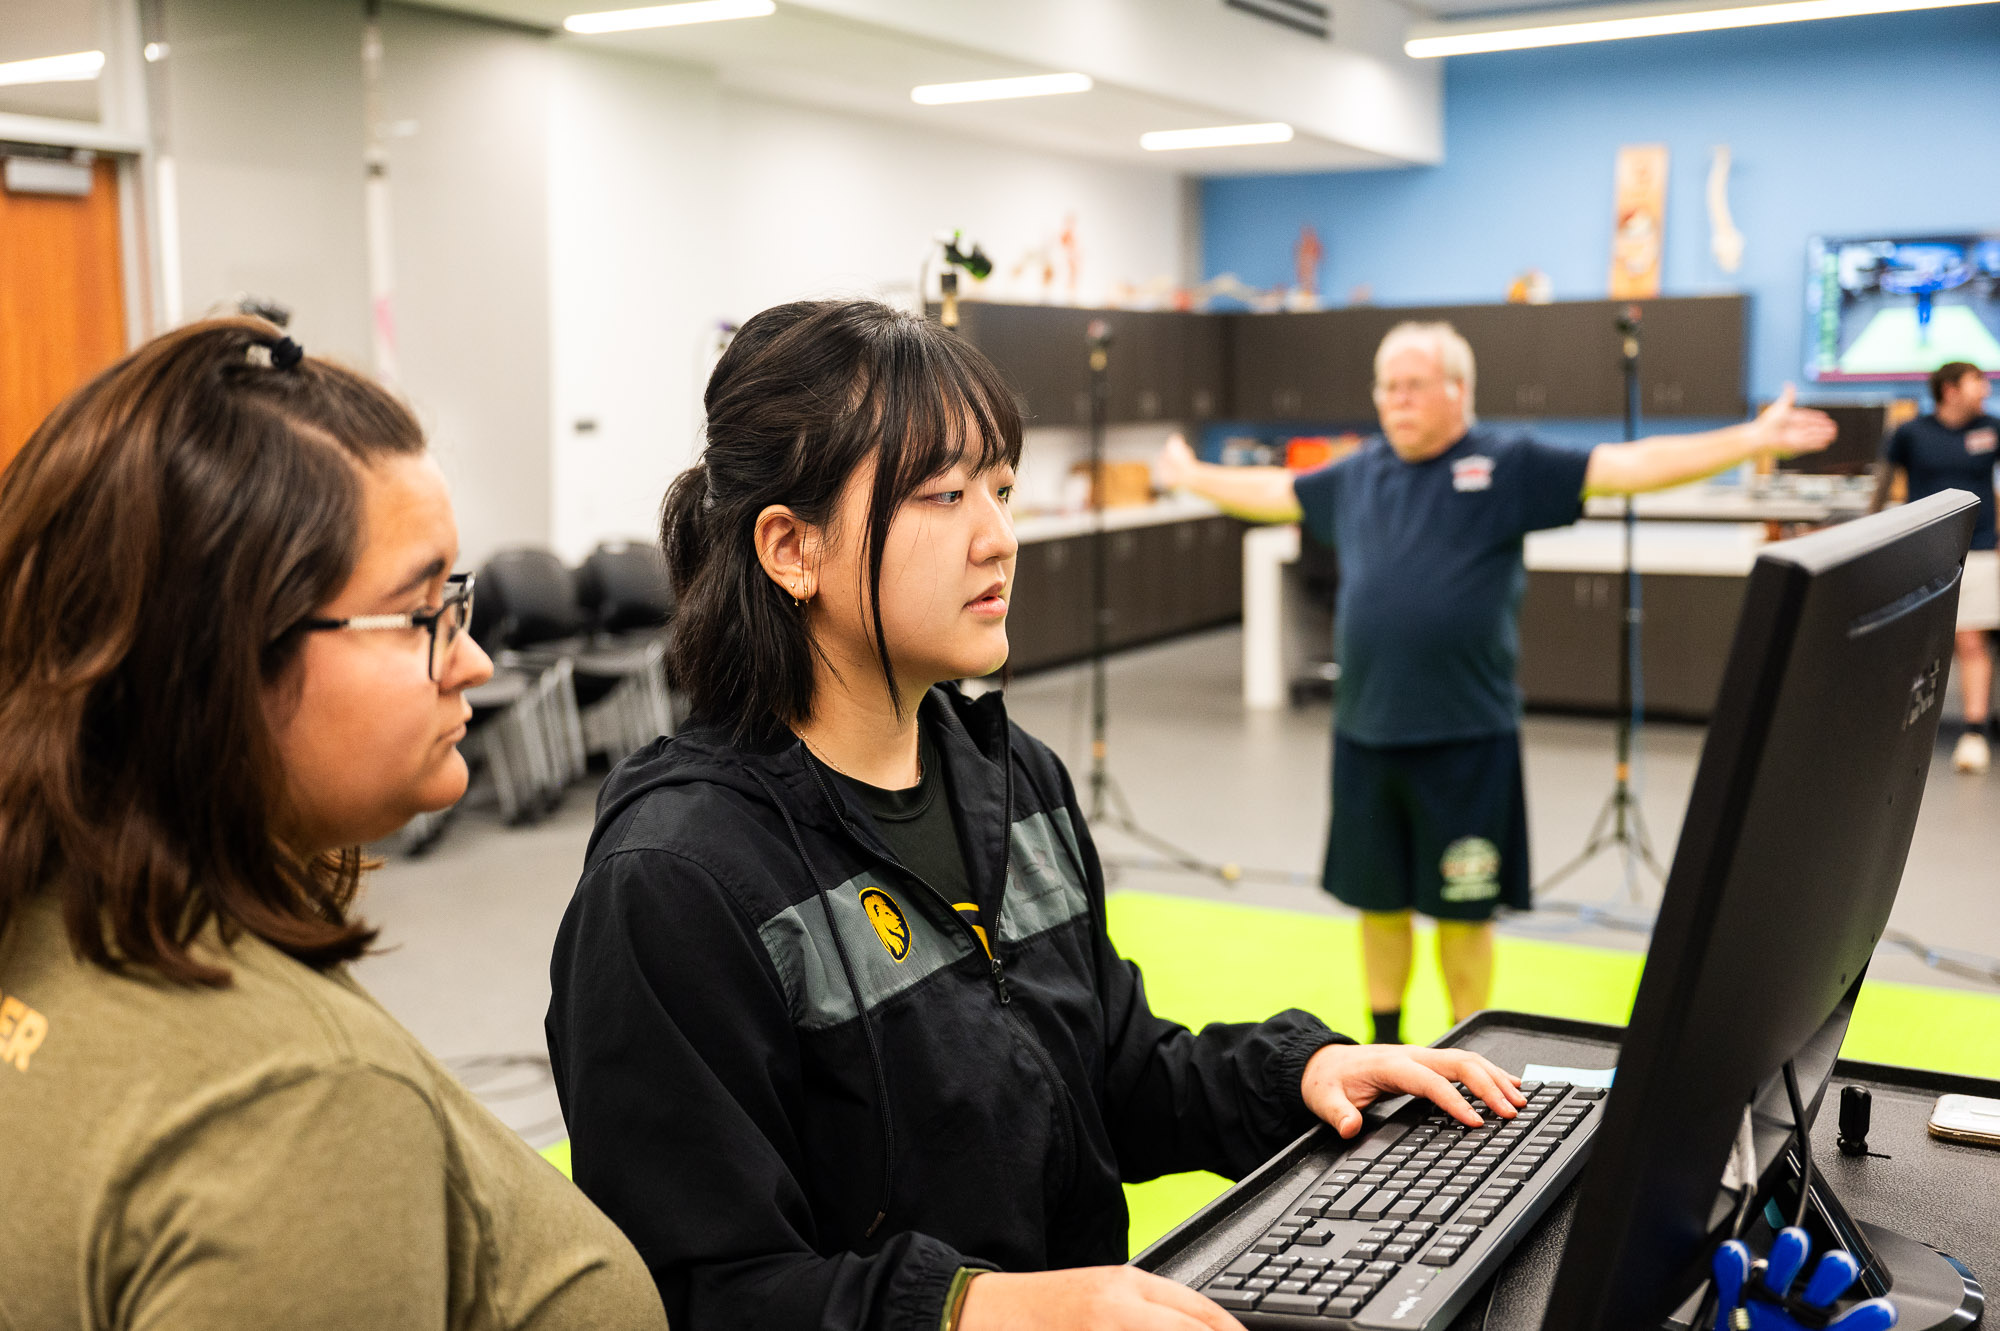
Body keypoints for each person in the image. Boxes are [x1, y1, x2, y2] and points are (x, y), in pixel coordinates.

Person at [545, 300, 1527, 1331]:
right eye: (944, 495)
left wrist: (1302, 1073)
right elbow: (702, 1291)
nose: (999, 539)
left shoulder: (1013, 782)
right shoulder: (674, 882)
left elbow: (1109, 1069)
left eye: (1002, 490)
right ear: (791, 547)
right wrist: (979, 1310)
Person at [0, 319, 668, 1331]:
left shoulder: (54, 915)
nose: (473, 661)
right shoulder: (295, 1103)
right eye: (419, 612)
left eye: (460, 597)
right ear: (216, 656)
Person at [1157, 321, 1835, 1045]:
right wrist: (1190, 474)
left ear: (1459, 390)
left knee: (1463, 913)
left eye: (1413, 385)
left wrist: (1749, 442)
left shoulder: (1505, 464)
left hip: (1466, 737)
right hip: (1367, 733)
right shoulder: (1360, 473)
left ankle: (1462, 1048)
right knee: (1378, 905)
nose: (1396, 401)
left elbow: (1624, 466)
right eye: (1386, 387)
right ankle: (1386, 1048)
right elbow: (1271, 490)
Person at [1873, 360, 1998, 773]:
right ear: (1949, 390)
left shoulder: (1991, 429)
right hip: (1922, 550)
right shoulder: (1911, 432)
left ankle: (1975, 732)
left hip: (1979, 547)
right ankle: (1895, 732)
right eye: (1976, 381)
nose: (1984, 387)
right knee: (1914, 641)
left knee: (1970, 640)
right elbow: (1881, 485)